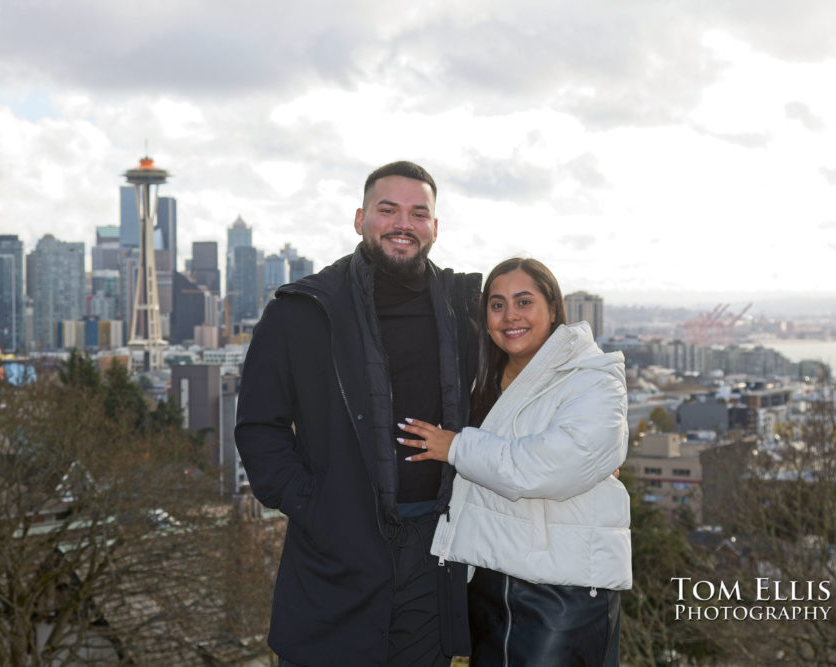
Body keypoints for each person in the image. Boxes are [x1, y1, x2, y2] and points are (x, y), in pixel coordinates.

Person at [235, 161, 480, 666]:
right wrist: (315, 507)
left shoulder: (467, 309)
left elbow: (530, 364)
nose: (402, 224)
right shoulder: (302, 310)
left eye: (418, 213)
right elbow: (260, 428)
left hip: (434, 550)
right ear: (359, 219)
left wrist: (589, 437)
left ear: (436, 228)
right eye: (387, 209)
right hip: (335, 550)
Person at [402, 257, 631, 665]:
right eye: (497, 304)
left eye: (524, 302)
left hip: (563, 593)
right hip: (490, 582)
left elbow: (545, 468)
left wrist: (454, 447)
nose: (510, 316)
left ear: (553, 309)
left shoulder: (592, 378)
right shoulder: (482, 379)